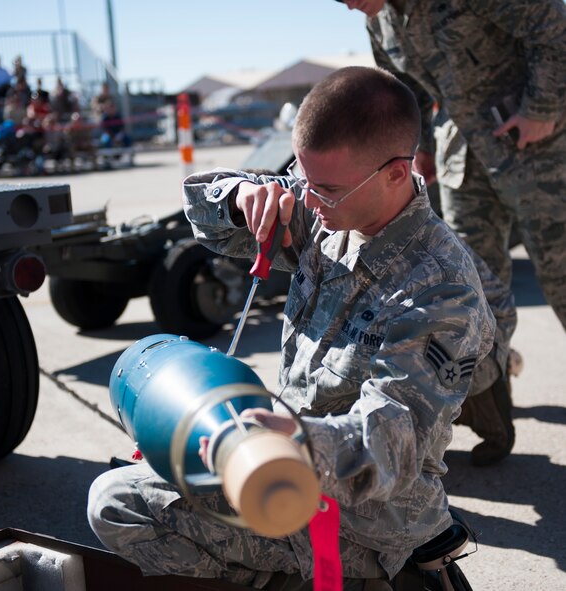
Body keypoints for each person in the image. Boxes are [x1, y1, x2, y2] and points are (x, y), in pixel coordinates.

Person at [88, 66, 496, 589]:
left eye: (324, 189)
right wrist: (239, 198)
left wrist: (291, 447)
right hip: (276, 454)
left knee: (119, 503)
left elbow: (396, 439)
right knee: (136, 476)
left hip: (365, 518)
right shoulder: (333, 207)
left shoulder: (439, 287)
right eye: (302, 180)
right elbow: (203, 211)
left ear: (398, 172)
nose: (309, 201)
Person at [336, 0, 566, 331]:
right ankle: (489, 380)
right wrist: (424, 148)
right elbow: (408, 93)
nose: (348, 5)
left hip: (539, 152)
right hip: (463, 161)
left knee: (560, 269)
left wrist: (541, 109)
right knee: (469, 285)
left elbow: (552, 26)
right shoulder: (379, 22)